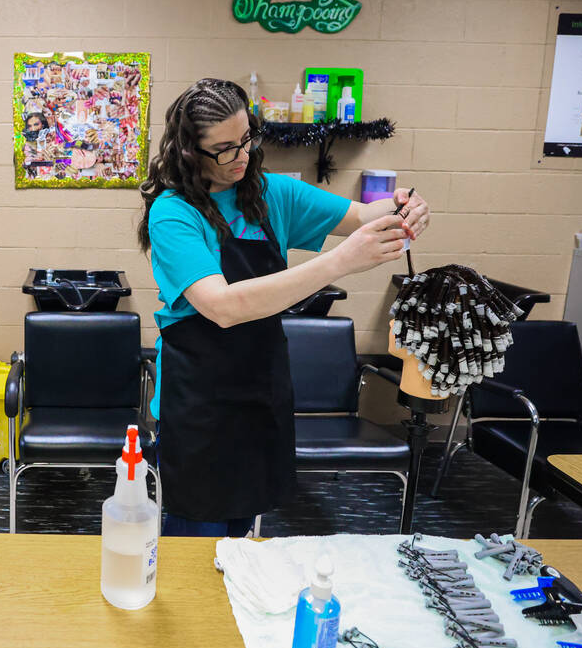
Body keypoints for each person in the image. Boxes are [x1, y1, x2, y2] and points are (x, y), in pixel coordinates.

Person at [136, 78, 431, 537]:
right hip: (199, 405)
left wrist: (404, 207)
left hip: (260, 393)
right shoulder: (174, 214)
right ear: (189, 152)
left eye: (247, 139)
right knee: (195, 545)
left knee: (243, 545)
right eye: (224, 149)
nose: (242, 156)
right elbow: (223, 307)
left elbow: (362, 215)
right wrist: (340, 262)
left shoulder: (272, 194)